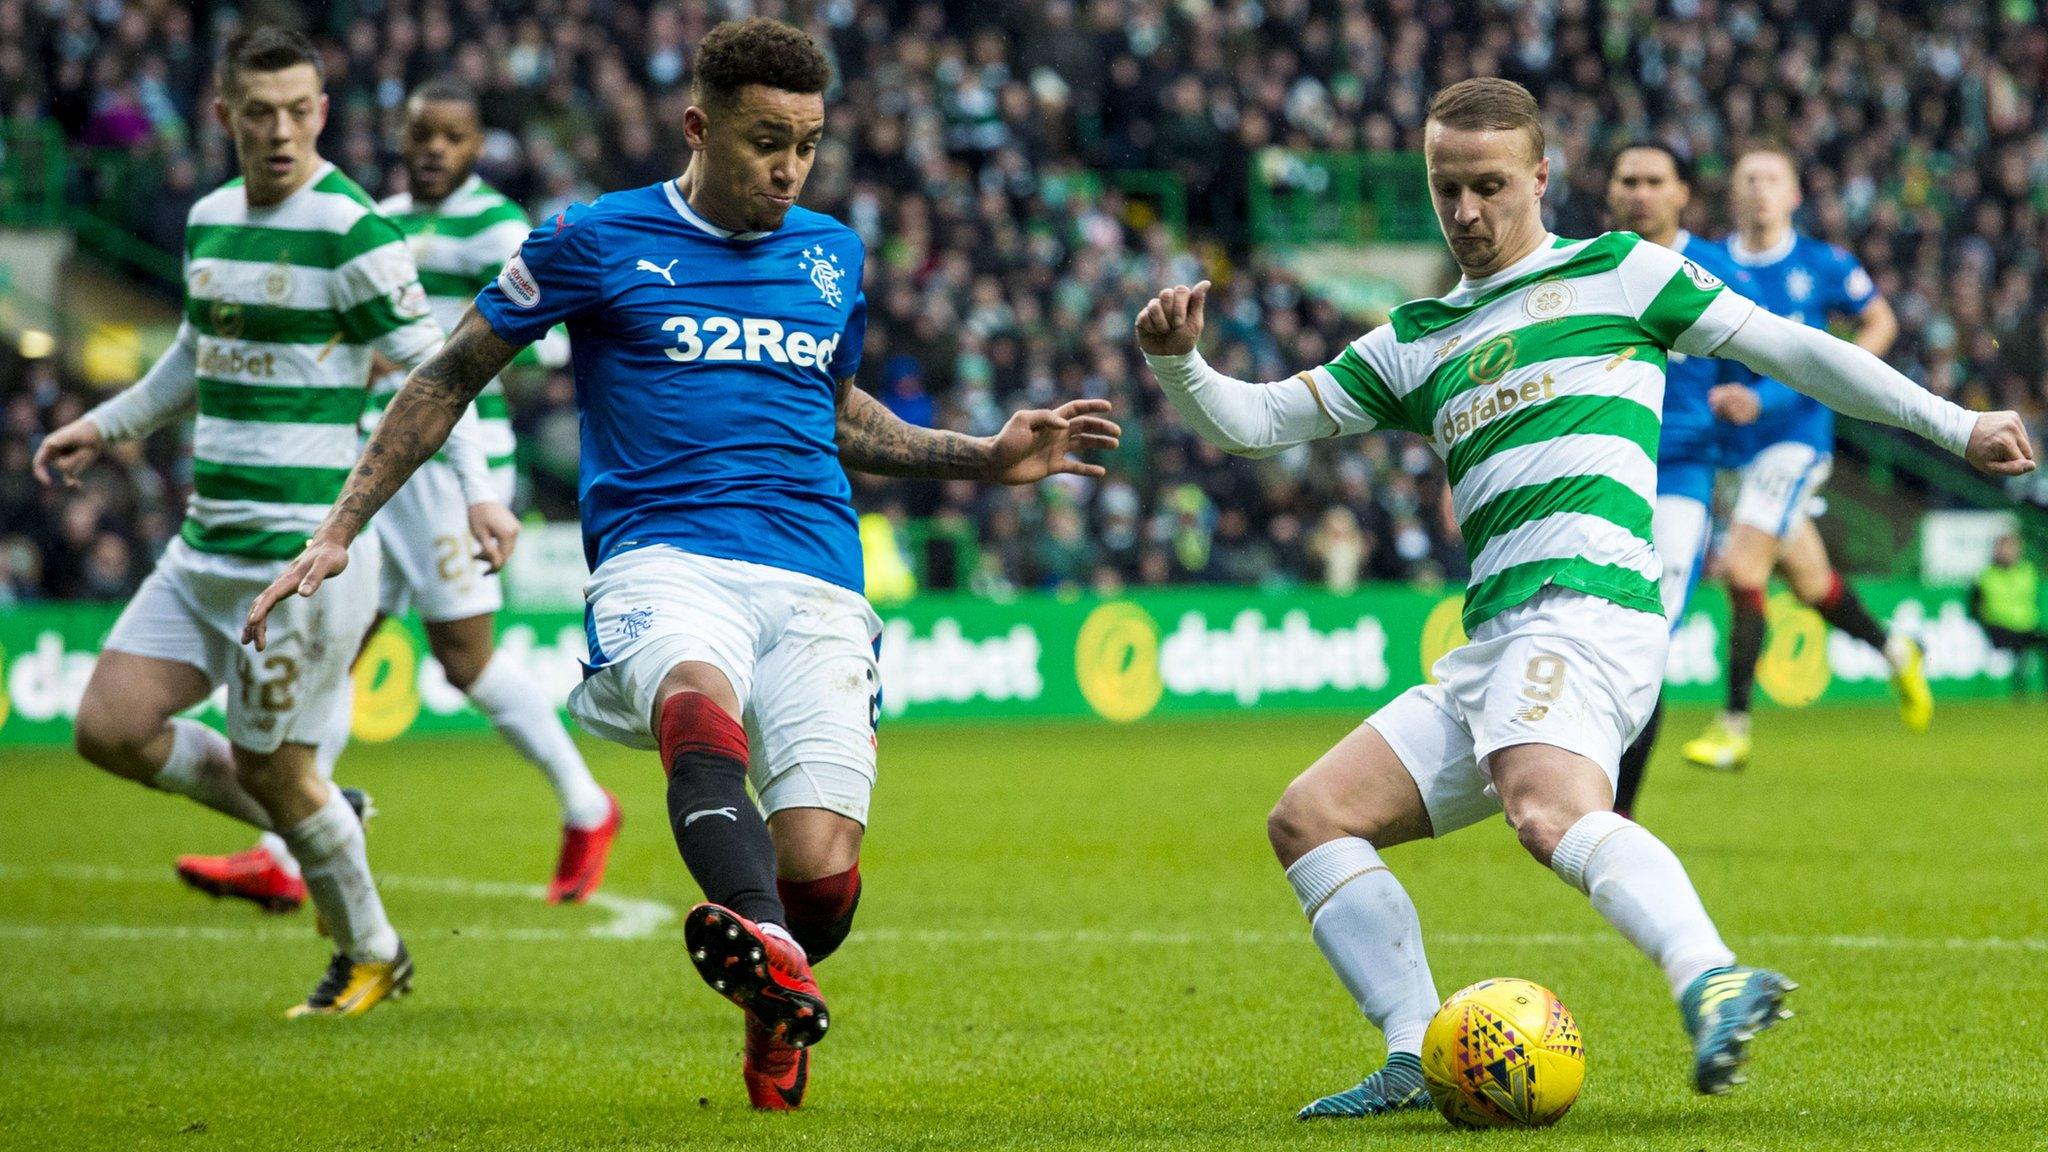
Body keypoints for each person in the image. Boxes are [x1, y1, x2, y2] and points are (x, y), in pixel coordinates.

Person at [241, 17, 1117, 1108]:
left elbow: (831, 407)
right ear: (698, 127)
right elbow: (447, 374)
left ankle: (773, 985)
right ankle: (764, 946)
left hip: (817, 577)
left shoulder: (831, 253)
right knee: (696, 710)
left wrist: (984, 459)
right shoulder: (593, 240)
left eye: (805, 143)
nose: (788, 168)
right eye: (764, 141)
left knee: (821, 878)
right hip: (663, 558)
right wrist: (340, 526)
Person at [1133, 77, 2033, 1118]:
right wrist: (1179, 366)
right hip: (1493, 644)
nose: (1465, 212)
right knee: (1311, 819)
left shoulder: (1618, 273)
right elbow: (1257, 421)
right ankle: (1412, 1054)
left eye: (1487, 186)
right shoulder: (1413, 338)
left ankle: (1711, 976)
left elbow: (1793, 349)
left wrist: (1949, 423)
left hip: (1588, 611)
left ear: (1540, 179)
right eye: (1444, 188)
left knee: (1547, 810)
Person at [32, 28, 519, 1017]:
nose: (282, 130)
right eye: (260, 112)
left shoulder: (350, 231)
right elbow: (193, 354)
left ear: (323, 114)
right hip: (204, 547)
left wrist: (478, 491)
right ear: (225, 118)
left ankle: (372, 952)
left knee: (269, 764)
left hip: (302, 561)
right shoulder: (211, 218)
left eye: (301, 110)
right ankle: (319, 817)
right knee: (110, 728)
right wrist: (103, 422)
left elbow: (442, 373)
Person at [172, 79, 620, 912]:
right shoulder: (381, 217)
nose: (433, 151)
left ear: (477, 145)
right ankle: (287, 844)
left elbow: (538, 344)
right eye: (422, 135)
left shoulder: (495, 226)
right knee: (337, 641)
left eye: (451, 137)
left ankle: (588, 806)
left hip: (458, 462)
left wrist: (434, 366)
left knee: (463, 658)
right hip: (383, 455)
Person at [1681, 147, 1931, 771]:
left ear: (1795, 195)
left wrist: (1833, 378)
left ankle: (1733, 725)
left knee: (1742, 570)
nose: (1760, 190)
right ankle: (1898, 651)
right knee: (1813, 584)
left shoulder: (1822, 264)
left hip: (1796, 441)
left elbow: (1880, 322)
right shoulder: (1705, 264)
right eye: (1747, 179)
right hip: (1732, 449)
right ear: (1732, 195)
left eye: (1772, 179)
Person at [1603, 141, 1755, 816]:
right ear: (1609, 189)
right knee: (1593, 629)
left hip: (1681, 480)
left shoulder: (1716, 270)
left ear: (1682, 193)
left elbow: (1757, 363)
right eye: (1627, 179)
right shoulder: (1592, 265)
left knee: (1646, 631)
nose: (1640, 192)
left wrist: (1748, 403)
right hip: (1599, 472)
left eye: (1653, 181)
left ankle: (1616, 810)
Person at [1970, 533, 2048, 696]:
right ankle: (2017, 693)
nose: (2008, 553)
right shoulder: (1986, 575)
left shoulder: (2028, 571)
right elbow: (1975, 606)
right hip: (2000, 628)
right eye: (2004, 549)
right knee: (2017, 650)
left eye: (2012, 548)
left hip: (2027, 627)